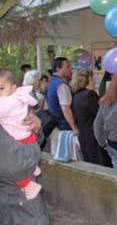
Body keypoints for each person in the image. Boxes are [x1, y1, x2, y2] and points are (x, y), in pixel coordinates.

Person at [0, 69, 42, 200]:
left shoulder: (8, 103)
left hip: (19, 202)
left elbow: (38, 137)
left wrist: (38, 126)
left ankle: (31, 169)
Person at [0, 113, 49, 225]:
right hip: (16, 208)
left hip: (23, 206)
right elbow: (16, 164)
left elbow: (37, 141)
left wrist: (35, 130)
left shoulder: (11, 106)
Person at [72, 69, 107, 165]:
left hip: (83, 136)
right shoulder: (90, 95)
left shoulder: (76, 96)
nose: (94, 82)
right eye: (92, 80)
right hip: (94, 138)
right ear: (86, 81)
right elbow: (100, 116)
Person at [47, 57, 78, 132]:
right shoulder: (61, 85)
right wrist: (74, 128)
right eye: (68, 67)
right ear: (58, 69)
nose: (70, 69)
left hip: (56, 126)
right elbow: (65, 108)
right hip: (65, 127)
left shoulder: (51, 82)